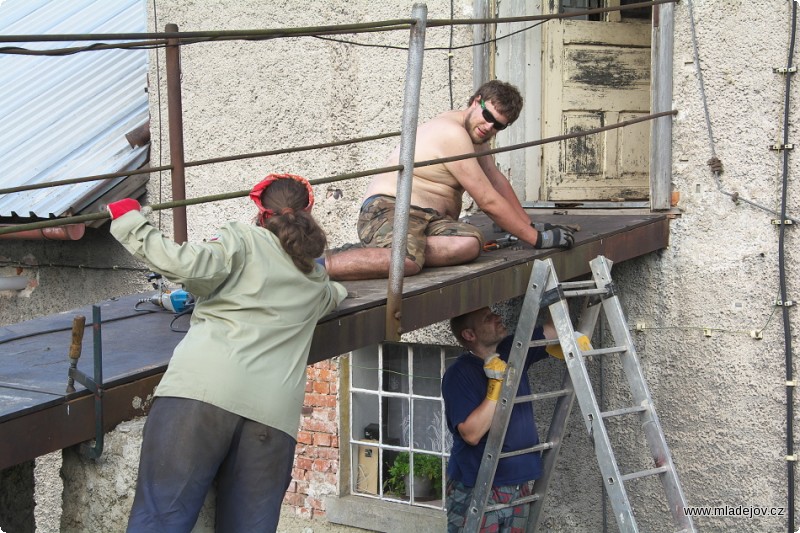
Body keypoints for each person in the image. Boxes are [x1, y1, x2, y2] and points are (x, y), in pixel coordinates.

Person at [107, 173, 347, 533]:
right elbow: (335, 295)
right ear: (308, 213)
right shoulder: (315, 282)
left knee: (159, 522)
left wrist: (129, 219)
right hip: (271, 420)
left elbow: (186, 265)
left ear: (260, 213)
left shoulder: (242, 239)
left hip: (198, 397)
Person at [324, 80, 574, 281]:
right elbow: (487, 200)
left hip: (431, 219)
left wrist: (528, 225)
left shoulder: (475, 136)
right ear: (476, 101)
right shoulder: (452, 132)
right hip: (391, 209)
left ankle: (385, 252)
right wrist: (536, 240)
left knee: (470, 244)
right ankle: (321, 265)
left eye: (498, 125)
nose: (489, 126)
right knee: (407, 263)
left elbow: (496, 182)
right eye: (487, 115)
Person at [442, 306, 563, 533]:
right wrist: (496, 387)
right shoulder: (459, 374)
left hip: (518, 482)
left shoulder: (511, 352)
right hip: (478, 485)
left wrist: (552, 289)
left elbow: (555, 330)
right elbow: (472, 434)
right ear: (470, 335)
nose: (498, 317)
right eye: (488, 318)